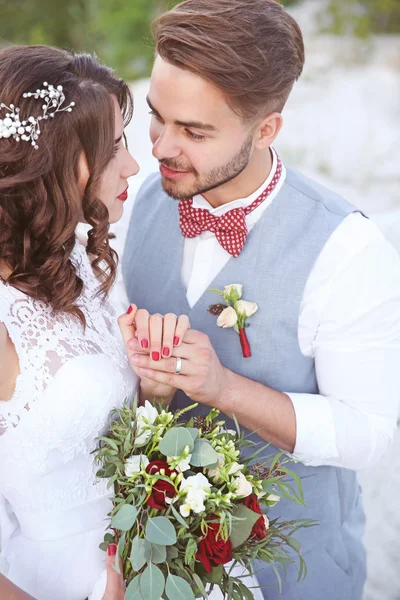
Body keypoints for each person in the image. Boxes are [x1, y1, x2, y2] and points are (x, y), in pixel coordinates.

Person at [121, 1, 400, 598]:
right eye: (157, 118)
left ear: (267, 129)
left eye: (194, 132)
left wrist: (225, 390)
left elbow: (370, 434)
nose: (163, 148)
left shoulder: (345, 250)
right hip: (152, 564)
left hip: (292, 572)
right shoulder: (142, 200)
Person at [0, 45, 189, 600]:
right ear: (61, 164)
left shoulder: (71, 256)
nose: (133, 165)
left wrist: (154, 392)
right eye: (112, 147)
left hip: (149, 555)